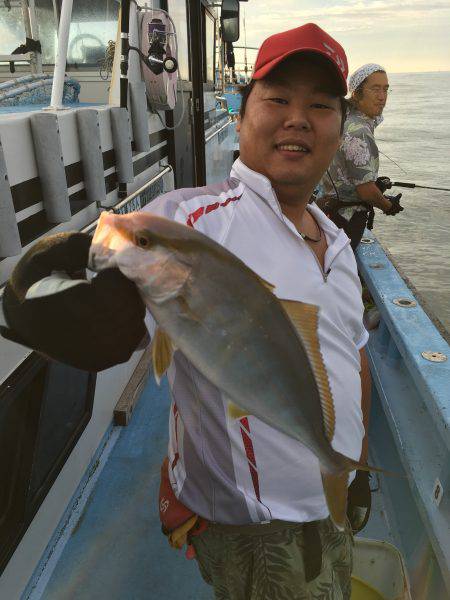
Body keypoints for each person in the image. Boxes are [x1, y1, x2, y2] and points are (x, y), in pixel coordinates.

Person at [1, 24, 371, 599]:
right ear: (242, 111)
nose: (298, 118)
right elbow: (119, 324)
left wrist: (354, 464)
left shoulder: (339, 244)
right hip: (259, 536)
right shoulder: (193, 221)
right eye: (278, 99)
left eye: (320, 105)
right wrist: (69, 303)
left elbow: (353, 359)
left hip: (333, 503)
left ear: (340, 129)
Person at [318, 63, 403, 250]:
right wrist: (388, 206)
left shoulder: (343, 118)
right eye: (375, 89)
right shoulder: (359, 132)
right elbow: (365, 192)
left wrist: (374, 183)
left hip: (329, 210)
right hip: (346, 220)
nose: (382, 97)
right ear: (356, 92)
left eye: (385, 90)